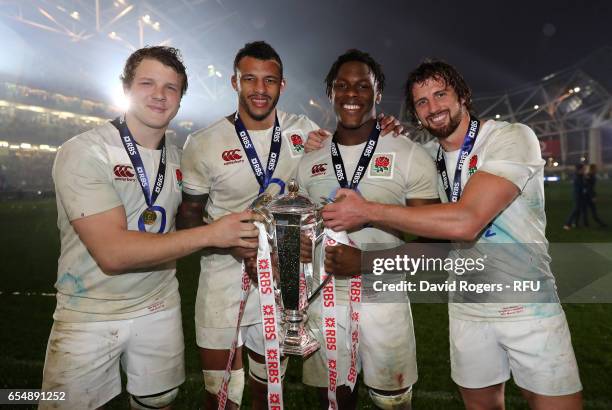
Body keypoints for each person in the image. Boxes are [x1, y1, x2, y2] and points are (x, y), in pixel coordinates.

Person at [319, 59, 583, 410]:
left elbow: (467, 221)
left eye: (441, 94)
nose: (434, 107)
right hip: (466, 310)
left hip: (526, 304)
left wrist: (367, 210)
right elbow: (434, 241)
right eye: (422, 102)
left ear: (463, 96)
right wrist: (325, 142)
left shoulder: (511, 137)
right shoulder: (426, 157)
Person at [177, 41, 404, 409]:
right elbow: (187, 218)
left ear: (282, 85)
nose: (259, 89)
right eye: (249, 79)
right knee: (222, 394)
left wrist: (386, 125)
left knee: (268, 390)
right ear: (234, 83)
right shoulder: (203, 143)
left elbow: (349, 148)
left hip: (282, 280)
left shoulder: (306, 132)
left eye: (269, 80)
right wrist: (228, 242)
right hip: (223, 278)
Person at [41, 46, 259, 410]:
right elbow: (113, 254)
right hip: (89, 311)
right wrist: (212, 233)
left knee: (159, 402)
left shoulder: (177, 156)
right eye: (147, 83)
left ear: (180, 99)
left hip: (158, 305)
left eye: (171, 88)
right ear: (126, 88)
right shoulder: (85, 151)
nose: (159, 95)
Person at [297, 49, 439, 410]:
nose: (351, 94)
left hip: (384, 303)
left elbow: (436, 244)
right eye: (342, 85)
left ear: (377, 94)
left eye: (363, 86)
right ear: (330, 92)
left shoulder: (408, 154)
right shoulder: (310, 159)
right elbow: (300, 229)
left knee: (392, 402)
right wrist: (299, 245)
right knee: (334, 400)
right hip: (324, 305)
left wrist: (366, 262)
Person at [581, 163, 607, 228]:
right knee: (591, 210)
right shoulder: (590, 175)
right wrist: (592, 196)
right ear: (592, 169)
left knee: (587, 210)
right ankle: (599, 223)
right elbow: (589, 187)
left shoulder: (590, 175)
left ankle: (586, 224)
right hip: (587, 195)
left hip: (587, 195)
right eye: (595, 168)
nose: (597, 169)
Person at [563, 163, 586, 230]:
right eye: (583, 168)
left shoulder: (580, 175)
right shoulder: (578, 176)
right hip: (578, 195)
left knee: (578, 210)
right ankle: (567, 224)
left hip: (580, 195)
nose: (584, 169)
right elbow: (581, 186)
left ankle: (575, 223)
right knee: (576, 210)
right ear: (580, 169)